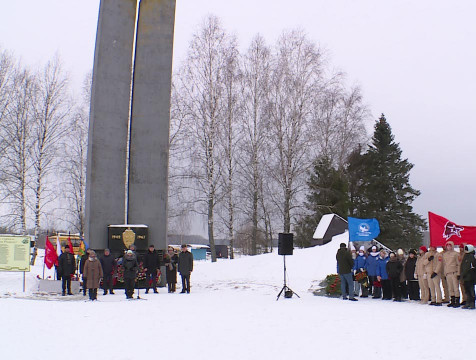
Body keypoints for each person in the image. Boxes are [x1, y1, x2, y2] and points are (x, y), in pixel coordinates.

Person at [442, 241, 461, 307]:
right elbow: (444, 264)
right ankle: (452, 300)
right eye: (447, 246)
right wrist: (445, 273)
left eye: (450, 246)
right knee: (450, 288)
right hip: (448, 273)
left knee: (455, 287)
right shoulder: (445, 255)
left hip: (454, 272)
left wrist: (458, 273)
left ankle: (457, 301)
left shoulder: (456, 254)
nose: (448, 247)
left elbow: (458, 264)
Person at [460, 244, 476, 310]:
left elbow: (470, 266)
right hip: (465, 276)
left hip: (470, 276)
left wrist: (465, 273)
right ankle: (468, 302)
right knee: (467, 290)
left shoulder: (472, 256)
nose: (465, 250)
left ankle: (472, 303)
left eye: (467, 249)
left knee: (471, 290)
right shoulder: (466, 255)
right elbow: (463, 266)